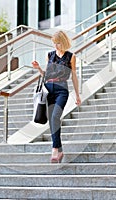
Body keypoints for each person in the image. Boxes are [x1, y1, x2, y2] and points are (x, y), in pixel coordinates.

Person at [32, 30, 81, 163]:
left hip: (62, 90)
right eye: (54, 43)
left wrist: (77, 95)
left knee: (55, 117)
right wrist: (38, 69)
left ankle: (55, 149)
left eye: (58, 43)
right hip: (48, 90)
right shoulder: (50, 55)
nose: (55, 46)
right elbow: (46, 75)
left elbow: (74, 76)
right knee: (53, 121)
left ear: (63, 42)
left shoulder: (71, 57)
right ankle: (59, 149)